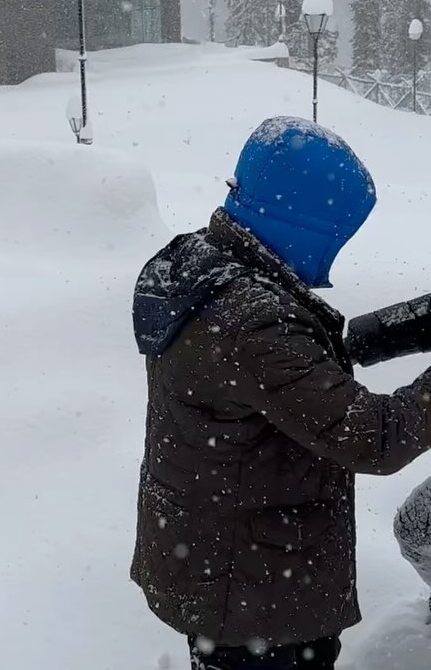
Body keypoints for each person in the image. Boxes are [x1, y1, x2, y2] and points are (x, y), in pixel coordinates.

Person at [130, 117, 431, 670]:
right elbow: (375, 437)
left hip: (224, 565)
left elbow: (298, 366)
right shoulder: (253, 321)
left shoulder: (211, 265)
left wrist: (396, 327)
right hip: (254, 590)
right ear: (304, 223)